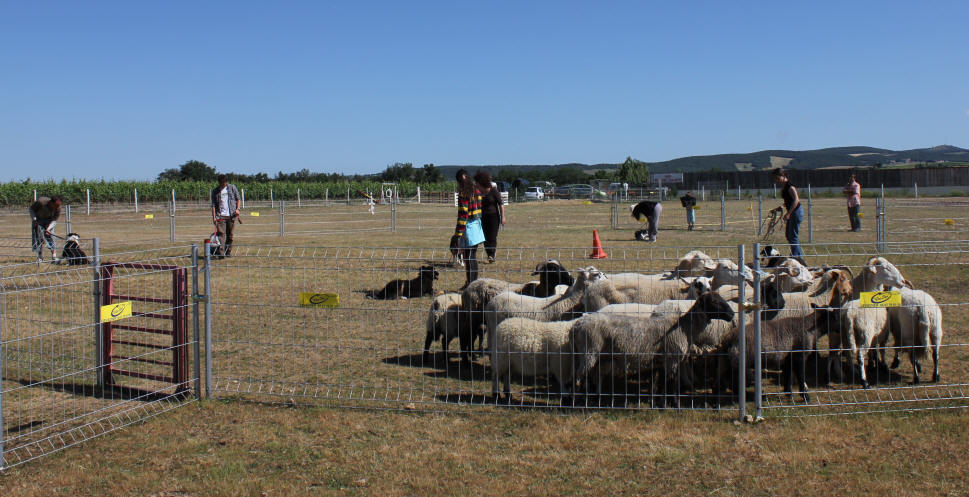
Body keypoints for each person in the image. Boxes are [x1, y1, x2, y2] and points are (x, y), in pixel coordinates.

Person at [454, 169, 482, 288]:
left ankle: (470, 284)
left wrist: (458, 234)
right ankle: (473, 282)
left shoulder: (463, 193)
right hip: (477, 225)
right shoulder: (477, 190)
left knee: (468, 257)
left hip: (469, 226)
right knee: (473, 256)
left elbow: (463, 214)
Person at [771, 168, 804, 259]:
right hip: (792, 211)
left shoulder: (790, 186)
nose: (776, 180)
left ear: (783, 176)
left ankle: (797, 257)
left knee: (792, 236)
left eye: (777, 178)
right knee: (789, 235)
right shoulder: (785, 186)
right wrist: (782, 207)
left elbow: (796, 200)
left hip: (795, 212)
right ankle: (796, 254)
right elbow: (789, 200)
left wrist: (789, 213)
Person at [474, 170, 505, 264]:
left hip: (494, 217)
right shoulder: (478, 192)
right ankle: (489, 254)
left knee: (492, 236)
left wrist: (503, 217)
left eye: (478, 183)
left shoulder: (493, 191)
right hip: (482, 217)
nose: (476, 184)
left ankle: (491, 255)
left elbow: (501, 204)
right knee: (484, 237)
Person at [210, 174, 241, 258]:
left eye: (223, 183)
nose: (222, 185)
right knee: (221, 235)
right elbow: (213, 205)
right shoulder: (215, 191)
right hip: (220, 216)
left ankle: (228, 252)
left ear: (226, 182)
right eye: (221, 183)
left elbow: (238, 199)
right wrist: (214, 217)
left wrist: (237, 209)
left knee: (230, 235)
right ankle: (221, 253)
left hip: (232, 215)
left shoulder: (232, 188)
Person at [29, 195, 62, 263]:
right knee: (38, 238)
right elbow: (31, 209)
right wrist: (34, 219)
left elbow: (54, 220)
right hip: (38, 220)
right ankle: (40, 257)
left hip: (49, 221)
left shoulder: (58, 208)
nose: (56, 208)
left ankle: (54, 257)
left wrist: (48, 229)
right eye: (55, 206)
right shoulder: (41, 202)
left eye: (57, 207)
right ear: (51, 203)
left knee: (52, 237)